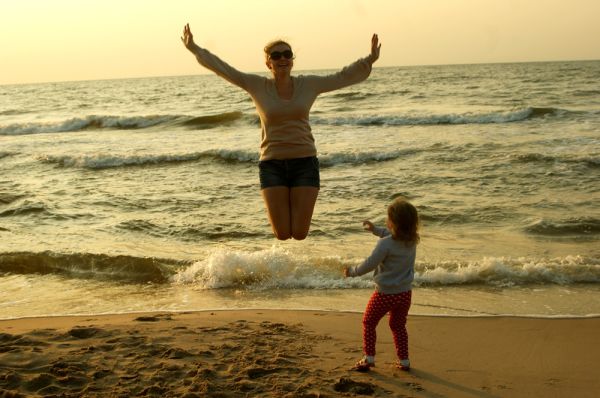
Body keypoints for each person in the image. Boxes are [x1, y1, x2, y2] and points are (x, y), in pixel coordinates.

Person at [181, 24, 381, 240]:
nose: (282, 58)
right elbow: (225, 69)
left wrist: (369, 59)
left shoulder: (309, 84)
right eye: (276, 55)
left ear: (292, 59)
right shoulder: (256, 85)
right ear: (268, 62)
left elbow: (342, 77)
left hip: (305, 162)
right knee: (283, 234)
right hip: (272, 165)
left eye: (287, 54)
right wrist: (194, 48)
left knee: (300, 233)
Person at [343, 197, 420, 372]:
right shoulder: (412, 240)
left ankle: (369, 358)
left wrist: (353, 271)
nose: (386, 221)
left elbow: (370, 263)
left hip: (385, 294)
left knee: (369, 322)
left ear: (393, 223)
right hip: (405, 294)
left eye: (388, 219)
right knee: (398, 326)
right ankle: (404, 361)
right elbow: (391, 236)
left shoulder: (385, 244)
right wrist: (375, 230)